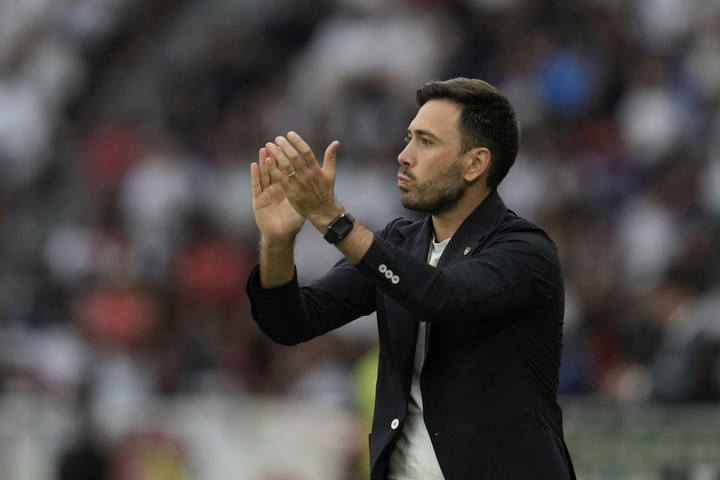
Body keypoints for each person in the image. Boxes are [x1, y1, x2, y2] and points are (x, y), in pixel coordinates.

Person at [245, 77, 575, 479]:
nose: (404, 155)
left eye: (426, 142)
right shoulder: (400, 243)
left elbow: (439, 296)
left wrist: (332, 218)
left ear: (475, 164)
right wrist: (277, 242)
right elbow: (292, 322)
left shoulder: (526, 251)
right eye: (408, 138)